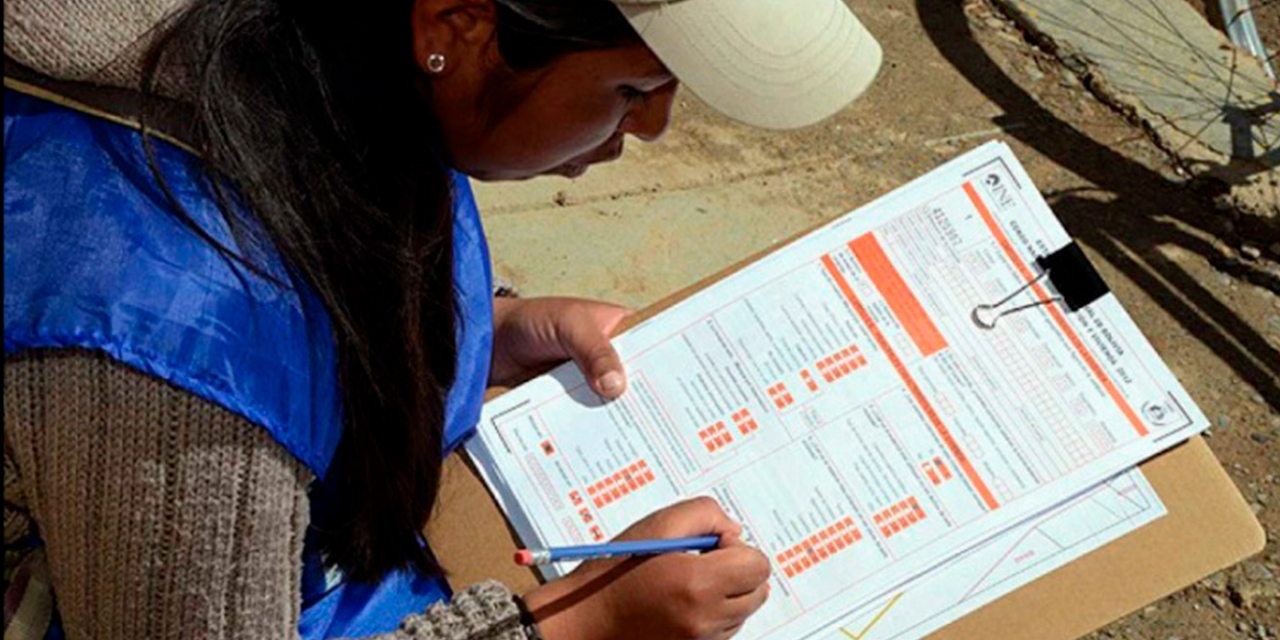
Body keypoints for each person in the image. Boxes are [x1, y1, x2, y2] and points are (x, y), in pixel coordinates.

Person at [2, 0, 882, 638]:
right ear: (455, 28)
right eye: (632, 87)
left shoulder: (349, 63)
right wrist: (574, 625)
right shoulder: (171, 355)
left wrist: (478, 331)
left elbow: (337, 277)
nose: (653, 128)